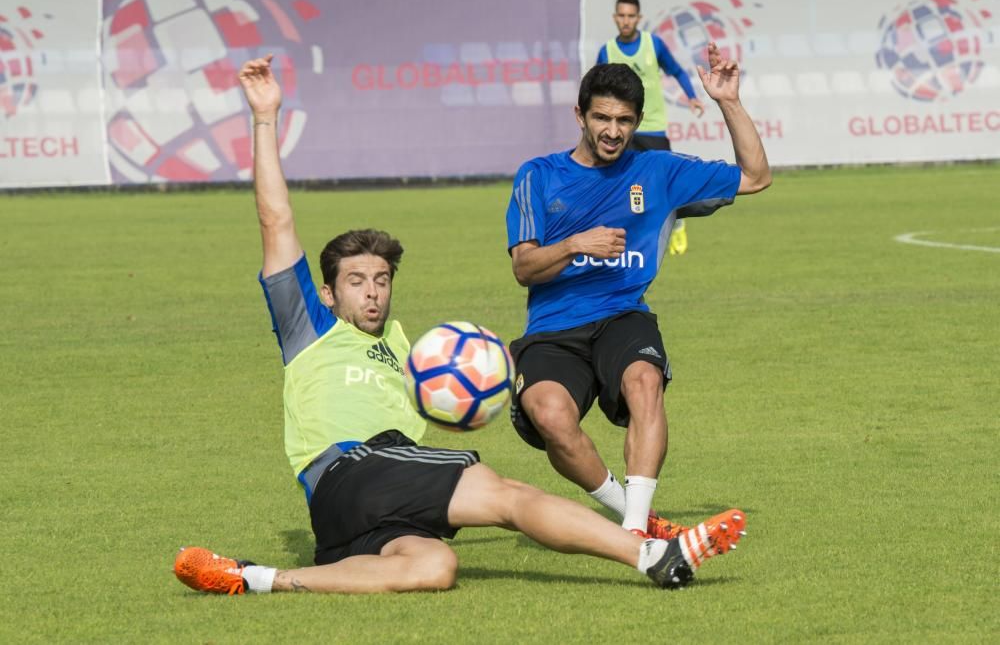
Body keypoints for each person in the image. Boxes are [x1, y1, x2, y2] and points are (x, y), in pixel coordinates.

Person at [173, 54, 746, 596]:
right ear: (327, 292)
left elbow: (452, 390)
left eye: (381, 279)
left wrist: (498, 372)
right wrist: (265, 116)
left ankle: (255, 577)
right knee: (507, 496)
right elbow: (276, 220)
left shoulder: (406, 349)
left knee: (434, 567)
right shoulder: (308, 328)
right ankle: (650, 553)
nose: (372, 292)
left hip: (347, 510)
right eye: (355, 281)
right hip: (352, 466)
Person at [505, 45, 770, 538]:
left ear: (637, 120)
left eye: (624, 120)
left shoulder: (658, 172)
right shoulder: (538, 176)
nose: (612, 131)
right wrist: (574, 244)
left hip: (623, 313)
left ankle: (632, 533)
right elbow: (524, 266)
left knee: (645, 380)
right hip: (552, 328)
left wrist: (728, 101)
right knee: (550, 416)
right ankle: (638, 519)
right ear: (579, 115)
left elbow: (757, 177)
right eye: (602, 117)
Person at [597, 0, 708, 255]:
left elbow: (677, 71)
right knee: (626, 184)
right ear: (615, 18)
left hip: (654, 126)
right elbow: (597, 90)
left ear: (638, 18)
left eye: (630, 16)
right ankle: (634, 234)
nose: (626, 21)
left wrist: (691, 97)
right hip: (621, 130)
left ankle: (678, 223)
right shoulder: (607, 51)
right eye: (621, 16)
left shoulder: (653, 44)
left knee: (665, 180)